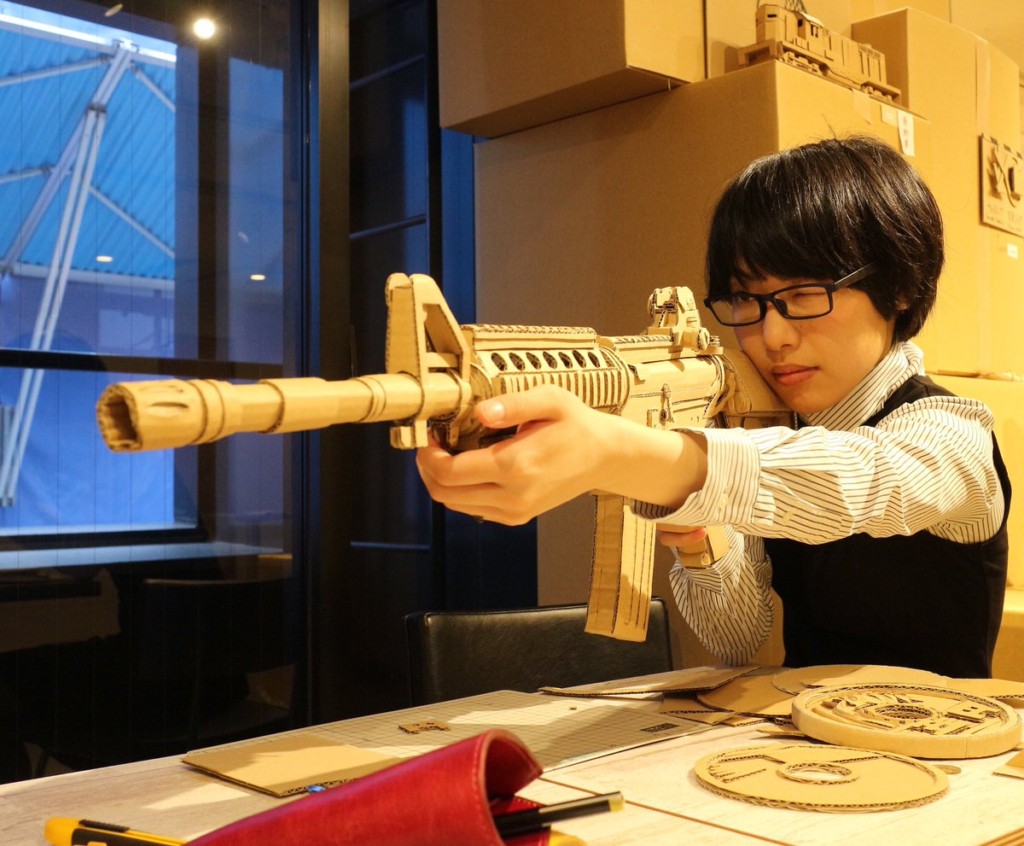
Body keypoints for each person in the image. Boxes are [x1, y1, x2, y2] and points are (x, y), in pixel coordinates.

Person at [416, 135, 1010, 679]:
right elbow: (738, 638)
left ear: (899, 288)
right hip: (803, 741)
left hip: (950, 747)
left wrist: (625, 453)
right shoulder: (768, 427)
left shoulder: (952, 433)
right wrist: (698, 538)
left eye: (805, 294)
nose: (771, 336)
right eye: (746, 301)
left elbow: (862, 479)